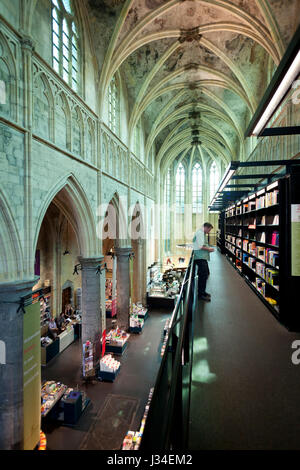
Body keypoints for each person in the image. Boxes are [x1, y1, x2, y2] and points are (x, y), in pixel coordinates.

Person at [193, 222, 214, 301]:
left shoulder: (202, 233)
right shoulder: (200, 234)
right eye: (209, 230)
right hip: (200, 257)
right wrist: (209, 249)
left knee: (204, 275)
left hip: (202, 257)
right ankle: (201, 294)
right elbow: (200, 246)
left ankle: (203, 292)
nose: (209, 232)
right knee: (203, 276)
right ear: (206, 227)